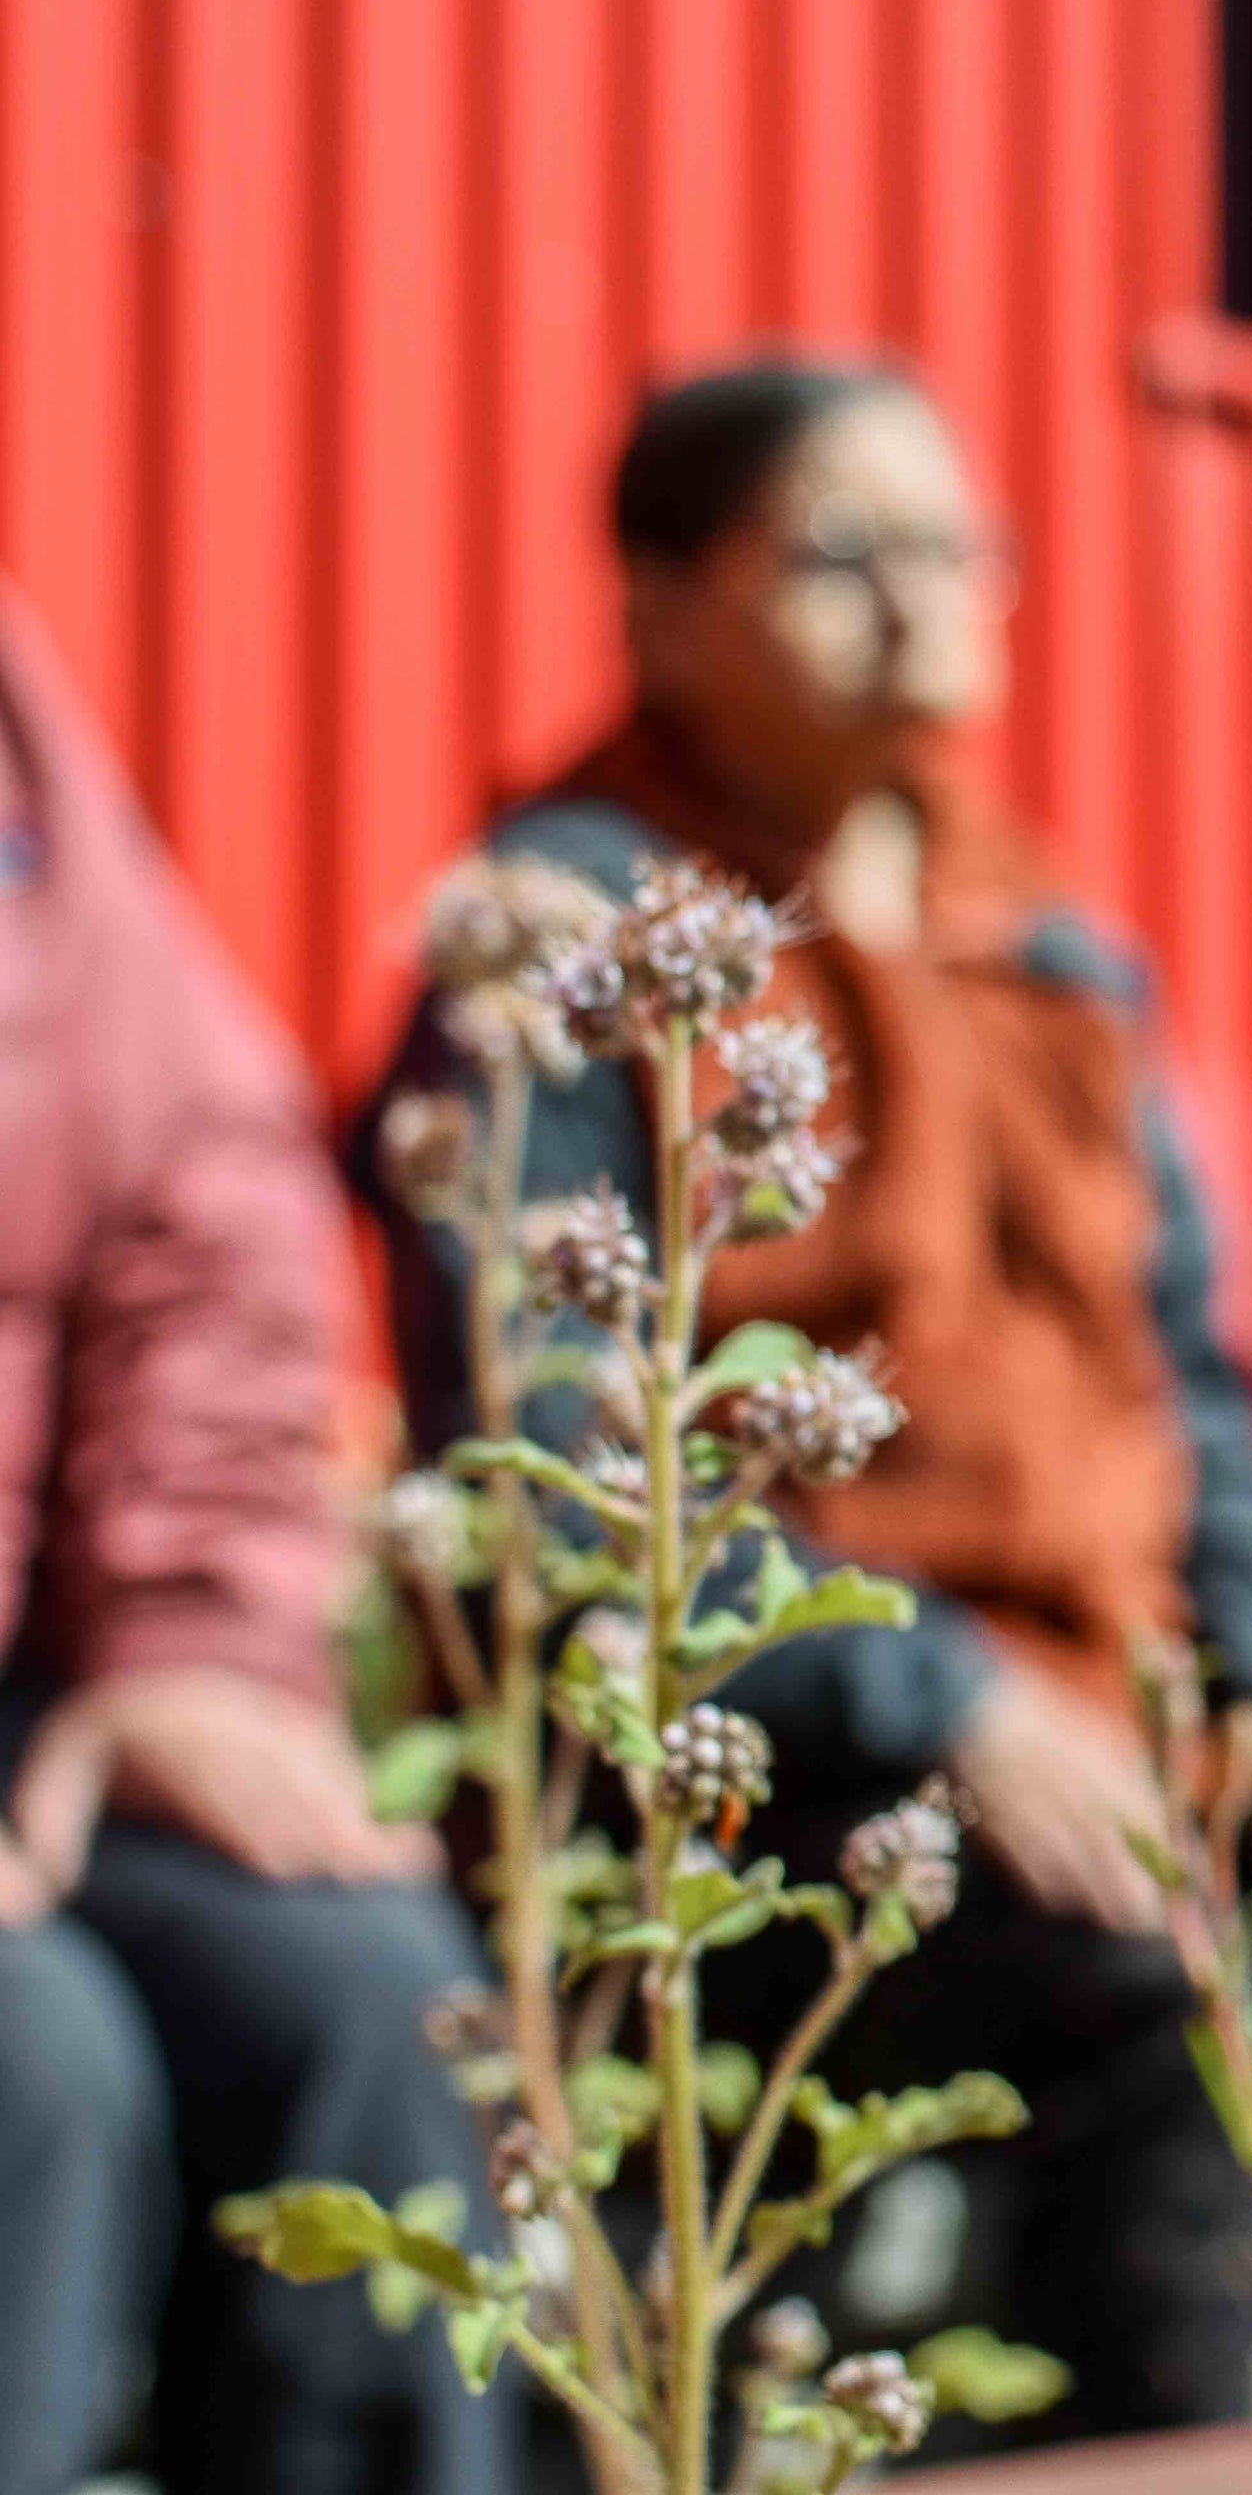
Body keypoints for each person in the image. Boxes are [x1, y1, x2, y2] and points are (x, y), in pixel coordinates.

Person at [363, 362, 1252, 2432]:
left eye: (955, 547)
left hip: (1120, 1721)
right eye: (844, 551)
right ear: (662, 603)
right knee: (1182, 2011)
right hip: (758, 1780)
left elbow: (1194, 1389)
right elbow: (557, 1471)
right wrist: (940, 1695)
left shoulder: (1051, 945)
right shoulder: (580, 943)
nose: (919, 599)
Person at [0, 584, 514, 2495]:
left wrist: (187, 1645)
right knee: (31, 2073)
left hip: (44, 1688)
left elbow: (200, 1204)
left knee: (371, 2007)